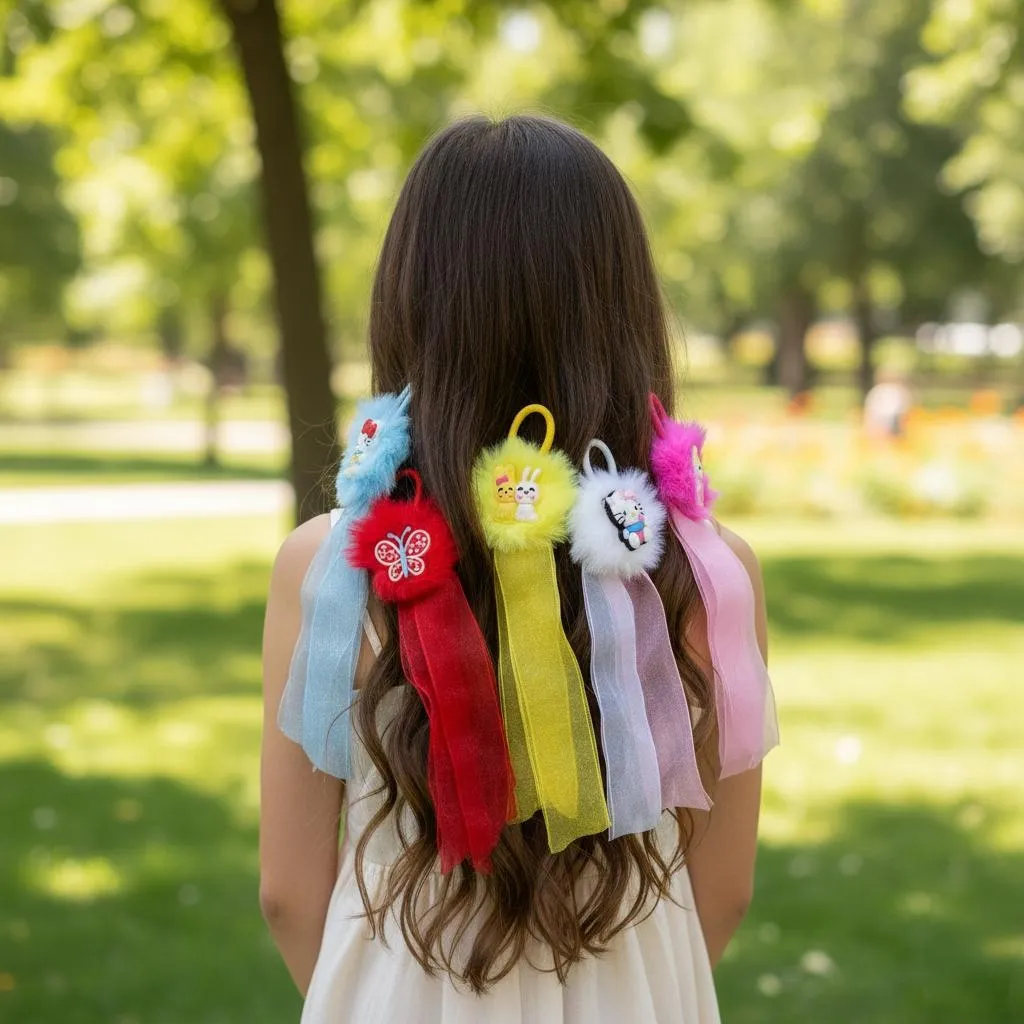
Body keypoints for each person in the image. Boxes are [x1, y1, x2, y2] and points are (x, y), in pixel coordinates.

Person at [260, 114, 771, 1022]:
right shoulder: (706, 568)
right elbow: (722, 889)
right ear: (623, 306)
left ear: (409, 302)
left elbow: (290, 895)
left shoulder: (330, 565)